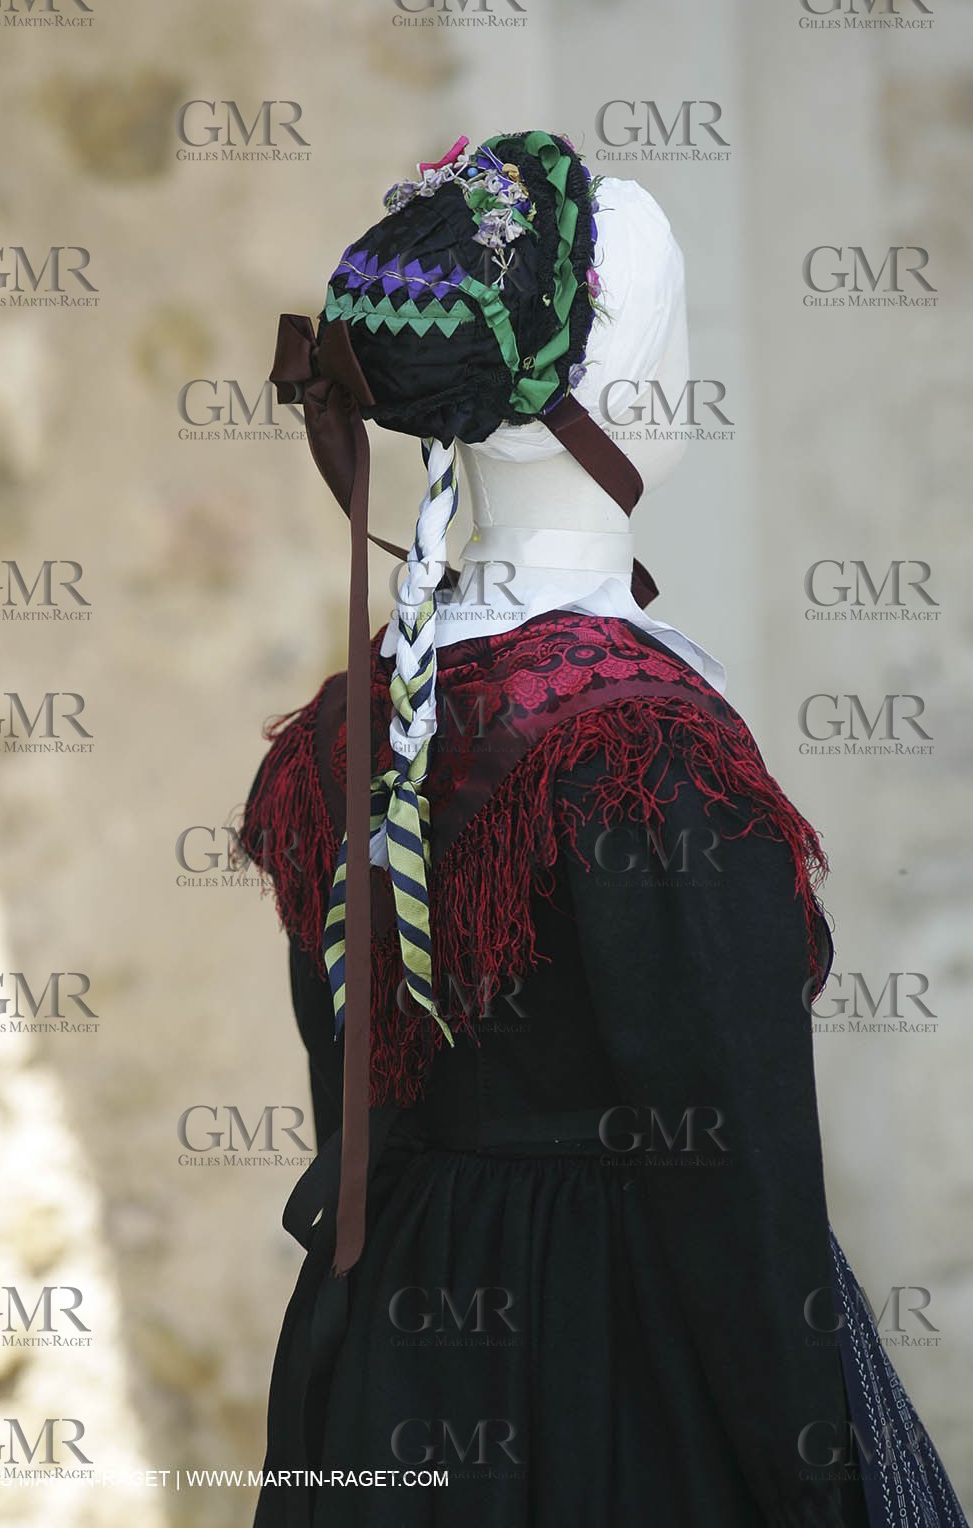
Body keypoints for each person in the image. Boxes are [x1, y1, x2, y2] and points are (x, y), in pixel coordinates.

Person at [240, 131, 966, 1527]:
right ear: (609, 391)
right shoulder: (647, 756)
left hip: (389, 1354)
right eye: (673, 333)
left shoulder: (355, 722)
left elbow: (356, 1095)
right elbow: (737, 1188)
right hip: (612, 1374)